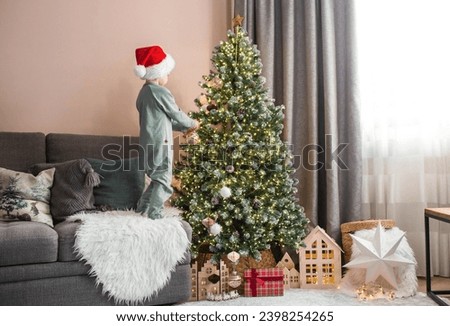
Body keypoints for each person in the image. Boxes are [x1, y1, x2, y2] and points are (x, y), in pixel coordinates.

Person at [133, 45, 198, 219]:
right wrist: (192, 123)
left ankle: (141, 209)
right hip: (160, 143)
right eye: (166, 72)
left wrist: (185, 128)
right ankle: (156, 214)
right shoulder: (160, 92)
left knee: (157, 179)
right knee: (163, 180)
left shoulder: (143, 94)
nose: (168, 76)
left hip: (149, 142)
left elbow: (163, 122)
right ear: (157, 73)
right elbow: (175, 113)